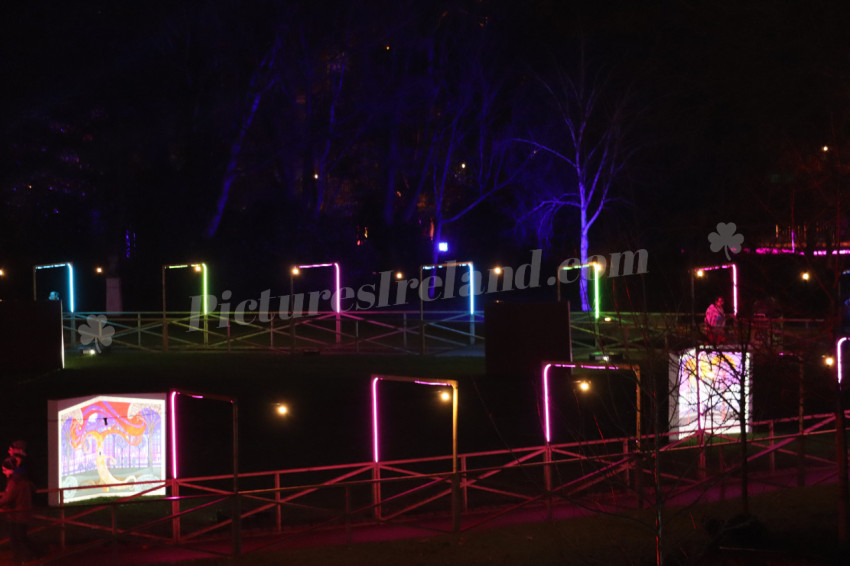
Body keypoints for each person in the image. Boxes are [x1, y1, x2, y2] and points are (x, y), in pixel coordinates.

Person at [0, 454, 36, 564]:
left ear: (11, 470)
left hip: (16, 515)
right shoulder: (23, 480)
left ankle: (24, 560)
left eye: (5, 470)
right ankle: (29, 558)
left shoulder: (14, 482)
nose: (3, 472)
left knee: (17, 540)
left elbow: (8, 498)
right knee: (21, 538)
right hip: (22, 514)